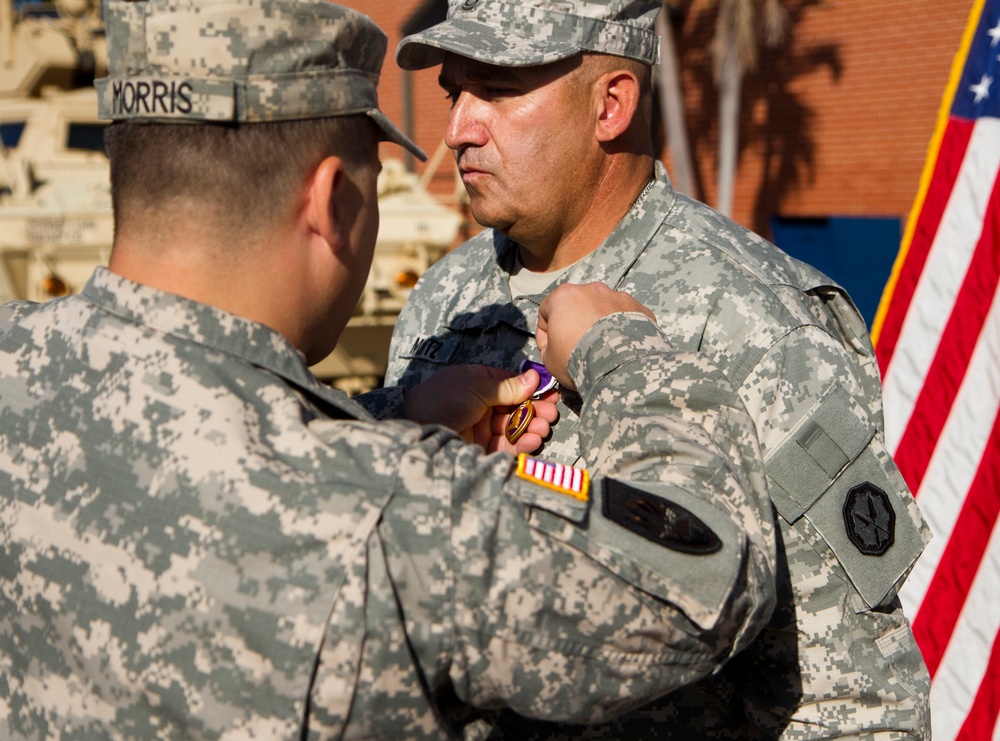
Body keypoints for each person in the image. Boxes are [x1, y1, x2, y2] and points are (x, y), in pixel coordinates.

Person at [0, 1, 778, 738]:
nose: (464, 129)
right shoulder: (387, 516)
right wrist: (624, 350)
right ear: (333, 201)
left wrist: (387, 417)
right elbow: (701, 582)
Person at [381, 0, 933, 738]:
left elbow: (850, 699)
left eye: (500, 89)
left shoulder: (749, 315)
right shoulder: (442, 303)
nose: (458, 129)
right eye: (456, 92)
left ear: (611, 104)